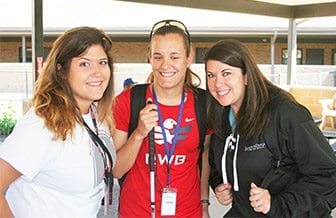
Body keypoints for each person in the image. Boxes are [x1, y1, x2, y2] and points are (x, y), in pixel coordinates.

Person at [205, 39, 336, 217]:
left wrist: (276, 204)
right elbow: (215, 163)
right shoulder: (220, 119)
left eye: (226, 73)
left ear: (246, 76)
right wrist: (219, 184)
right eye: (211, 75)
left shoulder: (284, 113)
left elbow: (329, 176)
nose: (217, 83)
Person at [0, 26, 116, 218]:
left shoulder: (95, 115)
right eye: (84, 64)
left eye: (102, 62)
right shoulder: (42, 124)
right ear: (61, 70)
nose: (98, 72)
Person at [112, 19, 211, 217]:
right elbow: (116, 170)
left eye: (174, 57)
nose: (165, 65)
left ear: (188, 57)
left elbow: (205, 156)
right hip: (137, 212)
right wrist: (139, 134)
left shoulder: (204, 104)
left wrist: (205, 204)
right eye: (158, 57)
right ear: (149, 57)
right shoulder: (129, 101)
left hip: (188, 212)